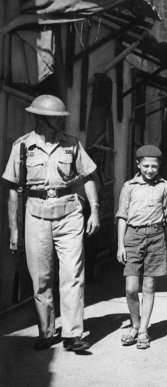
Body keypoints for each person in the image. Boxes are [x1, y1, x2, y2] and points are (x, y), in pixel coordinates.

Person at [2, 95, 100, 351]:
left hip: (69, 213)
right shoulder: (22, 147)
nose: (60, 123)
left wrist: (95, 211)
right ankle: (46, 332)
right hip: (35, 215)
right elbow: (13, 189)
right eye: (56, 118)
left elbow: (88, 177)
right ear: (41, 118)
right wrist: (14, 229)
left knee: (72, 275)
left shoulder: (72, 145)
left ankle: (72, 334)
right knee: (41, 278)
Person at [116, 145, 167, 350]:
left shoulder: (165, 186)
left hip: (156, 237)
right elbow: (122, 217)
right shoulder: (129, 186)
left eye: (154, 166)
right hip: (133, 237)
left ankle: (144, 330)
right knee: (130, 289)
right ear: (138, 164)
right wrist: (120, 245)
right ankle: (135, 325)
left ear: (159, 166)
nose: (149, 170)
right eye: (145, 165)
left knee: (149, 287)